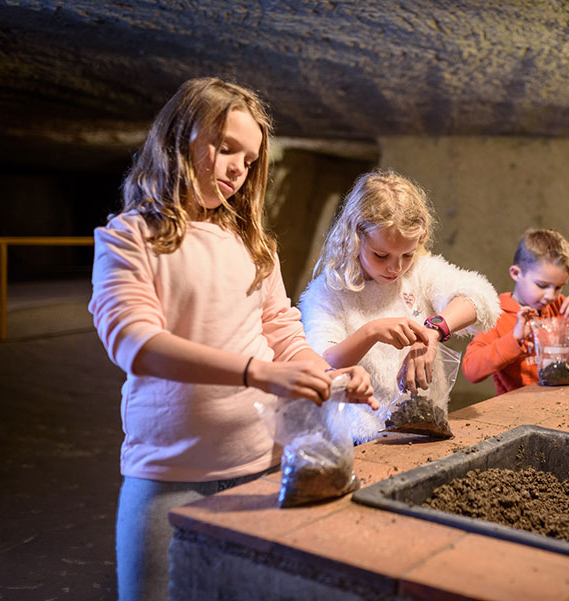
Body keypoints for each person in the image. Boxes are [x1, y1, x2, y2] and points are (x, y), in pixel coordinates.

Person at [88, 77, 376, 601]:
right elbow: (135, 342)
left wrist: (326, 375)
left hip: (265, 466)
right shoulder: (128, 238)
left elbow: (283, 329)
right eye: (225, 149)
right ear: (179, 138)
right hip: (169, 475)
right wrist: (256, 371)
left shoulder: (251, 243)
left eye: (249, 159)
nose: (237, 170)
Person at [299, 169, 500, 443]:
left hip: (426, 429)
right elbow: (321, 362)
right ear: (355, 239)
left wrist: (432, 331)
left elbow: (482, 298)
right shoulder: (329, 291)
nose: (396, 267)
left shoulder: (419, 272)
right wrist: (371, 332)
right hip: (360, 440)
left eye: (407, 254)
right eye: (381, 255)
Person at [462, 228, 569, 395]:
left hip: (561, 399)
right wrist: (514, 338)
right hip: (516, 408)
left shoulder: (560, 307)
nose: (551, 296)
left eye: (559, 287)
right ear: (516, 273)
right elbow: (471, 371)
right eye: (542, 286)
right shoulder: (497, 316)